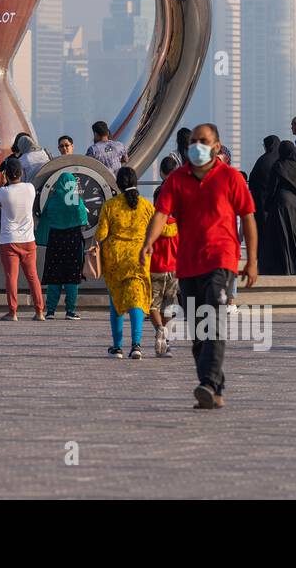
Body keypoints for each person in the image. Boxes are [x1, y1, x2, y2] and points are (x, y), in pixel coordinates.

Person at [143, 123, 257, 410]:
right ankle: (215, 389)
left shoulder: (231, 178)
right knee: (197, 333)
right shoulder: (177, 179)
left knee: (213, 323)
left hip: (221, 261)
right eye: (193, 141)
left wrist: (251, 260)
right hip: (188, 264)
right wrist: (148, 242)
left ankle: (206, 383)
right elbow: (161, 214)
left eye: (203, 141)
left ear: (217, 146)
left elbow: (249, 219)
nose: (197, 145)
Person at [95, 166, 153, 359]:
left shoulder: (110, 206)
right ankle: (136, 345)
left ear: (118, 185)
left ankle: (117, 347)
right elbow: (161, 228)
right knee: (136, 300)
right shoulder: (145, 205)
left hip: (115, 259)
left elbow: (101, 234)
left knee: (117, 302)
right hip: (139, 258)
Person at [0, 158, 45, 321]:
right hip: (28, 239)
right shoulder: (30, 188)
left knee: (11, 277)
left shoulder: (3, 192)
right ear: (21, 173)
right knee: (33, 276)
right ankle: (39, 311)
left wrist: (3, 183)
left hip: (9, 240)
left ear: (6, 174)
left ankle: (13, 312)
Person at [37, 170, 89, 320]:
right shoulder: (76, 199)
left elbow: (45, 218)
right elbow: (83, 219)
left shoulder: (53, 200)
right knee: (72, 276)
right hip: (73, 240)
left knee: (55, 275)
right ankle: (70, 311)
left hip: (55, 240)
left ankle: (51, 311)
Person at [258, 141, 296, 276]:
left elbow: (272, 187)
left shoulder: (278, 165)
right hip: (295, 204)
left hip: (280, 204)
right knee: (295, 238)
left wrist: (267, 205)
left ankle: (283, 268)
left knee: (281, 238)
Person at [148, 157, 181, 357]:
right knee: (169, 306)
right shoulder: (178, 225)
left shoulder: (151, 224)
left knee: (153, 305)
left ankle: (159, 329)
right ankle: (166, 338)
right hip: (173, 270)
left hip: (154, 269)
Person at [247, 135, 281, 218]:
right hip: (277, 201)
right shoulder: (281, 160)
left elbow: (252, 179)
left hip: (261, 200)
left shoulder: (262, 160)